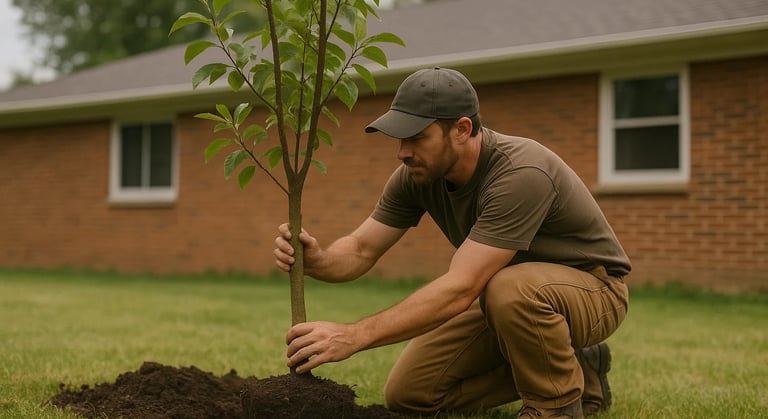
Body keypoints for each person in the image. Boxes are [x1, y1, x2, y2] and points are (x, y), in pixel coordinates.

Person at [274, 67, 630, 419]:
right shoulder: (416, 176)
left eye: (416, 137)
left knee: (510, 287)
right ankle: (577, 367)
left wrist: (355, 335)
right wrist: (317, 259)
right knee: (410, 393)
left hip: (593, 291)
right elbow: (361, 249)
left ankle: (555, 407)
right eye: (400, 139)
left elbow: (462, 288)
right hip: (506, 298)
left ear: (461, 129)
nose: (403, 152)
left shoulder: (521, 173)